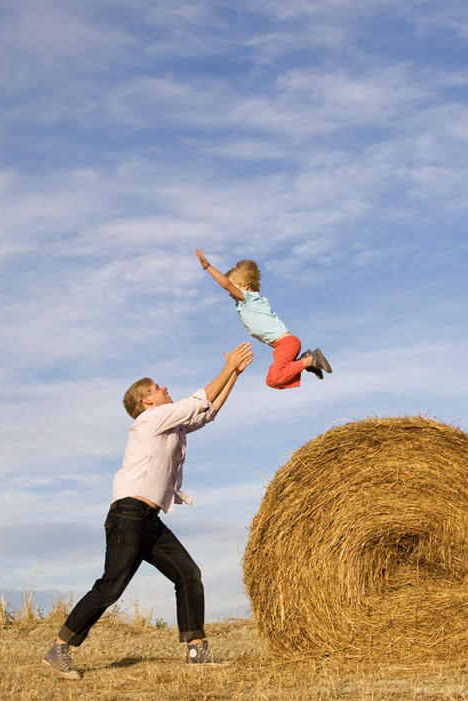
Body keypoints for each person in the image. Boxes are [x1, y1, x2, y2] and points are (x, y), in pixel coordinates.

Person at [42, 342, 254, 680]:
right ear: (147, 400)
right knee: (111, 586)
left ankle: (197, 650)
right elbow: (198, 400)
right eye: (158, 387)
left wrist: (235, 376)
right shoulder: (151, 420)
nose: (165, 388)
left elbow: (207, 412)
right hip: (128, 515)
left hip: (149, 519)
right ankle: (60, 647)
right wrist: (228, 367)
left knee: (188, 574)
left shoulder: (169, 424)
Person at [195, 249, 331, 389]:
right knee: (272, 381)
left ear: (245, 287)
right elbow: (229, 286)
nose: (230, 293)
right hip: (284, 345)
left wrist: (207, 266)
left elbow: (226, 285)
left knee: (275, 378)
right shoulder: (252, 302)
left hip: (286, 344)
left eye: (233, 289)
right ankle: (306, 360)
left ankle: (310, 360)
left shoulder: (248, 298)